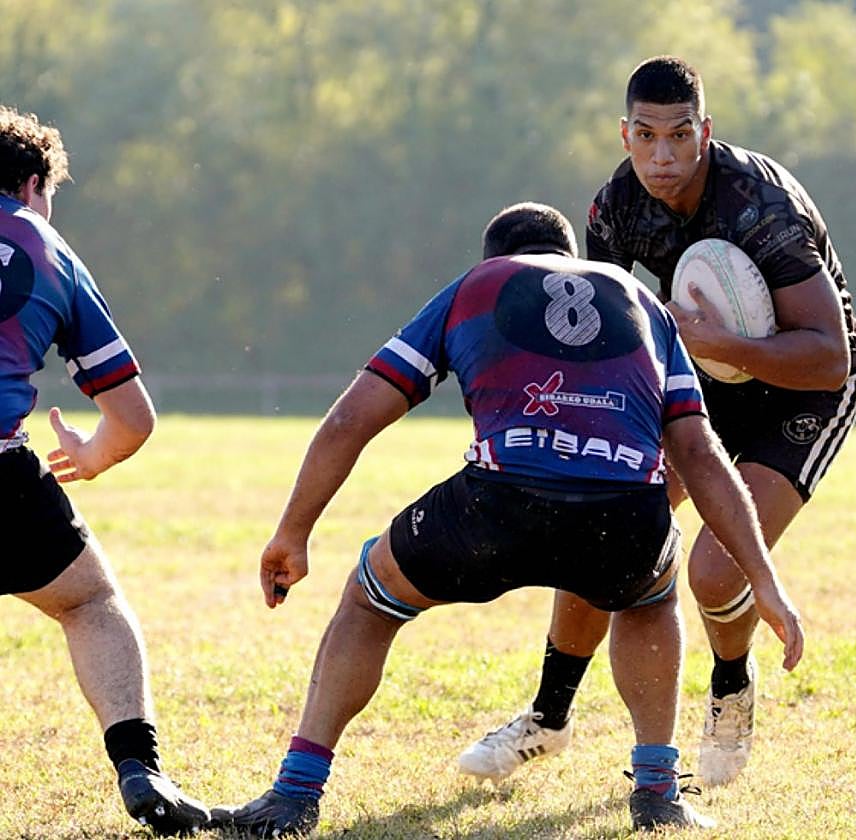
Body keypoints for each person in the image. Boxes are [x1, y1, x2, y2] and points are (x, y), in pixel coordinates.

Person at [209, 203, 804, 836]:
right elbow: (701, 455)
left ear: (496, 259)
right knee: (648, 597)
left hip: (496, 505)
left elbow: (352, 418)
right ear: (570, 259)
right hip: (622, 515)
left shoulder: (478, 286)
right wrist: (764, 580)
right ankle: (657, 792)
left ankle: (295, 795)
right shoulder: (640, 302)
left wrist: (293, 533)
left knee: (369, 600)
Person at [458, 56, 856, 789]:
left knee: (713, 570)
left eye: (680, 135)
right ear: (625, 135)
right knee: (601, 519)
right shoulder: (615, 210)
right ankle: (549, 717)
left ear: (705, 131)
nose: (663, 156)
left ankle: (731, 687)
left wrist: (722, 345)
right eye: (646, 136)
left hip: (802, 391)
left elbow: (829, 359)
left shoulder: (763, 206)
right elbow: (605, 338)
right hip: (700, 378)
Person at [0, 106, 209, 835]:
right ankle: (141, 768)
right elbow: (132, 418)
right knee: (89, 602)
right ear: (33, 185)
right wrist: (91, 455)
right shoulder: (46, 249)